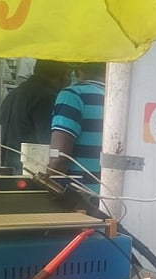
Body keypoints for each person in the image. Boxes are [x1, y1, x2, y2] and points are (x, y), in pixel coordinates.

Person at [0, 59, 70, 173]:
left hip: (9, 168)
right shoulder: (47, 97)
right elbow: (48, 141)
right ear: (63, 75)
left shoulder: (12, 95)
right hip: (33, 171)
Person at [48, 62, 106, 192]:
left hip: (79, 194)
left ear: (78, 70)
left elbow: (59, 157)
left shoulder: (73, 95)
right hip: (108, 194)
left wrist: (46, 182)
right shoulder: (117, 97)